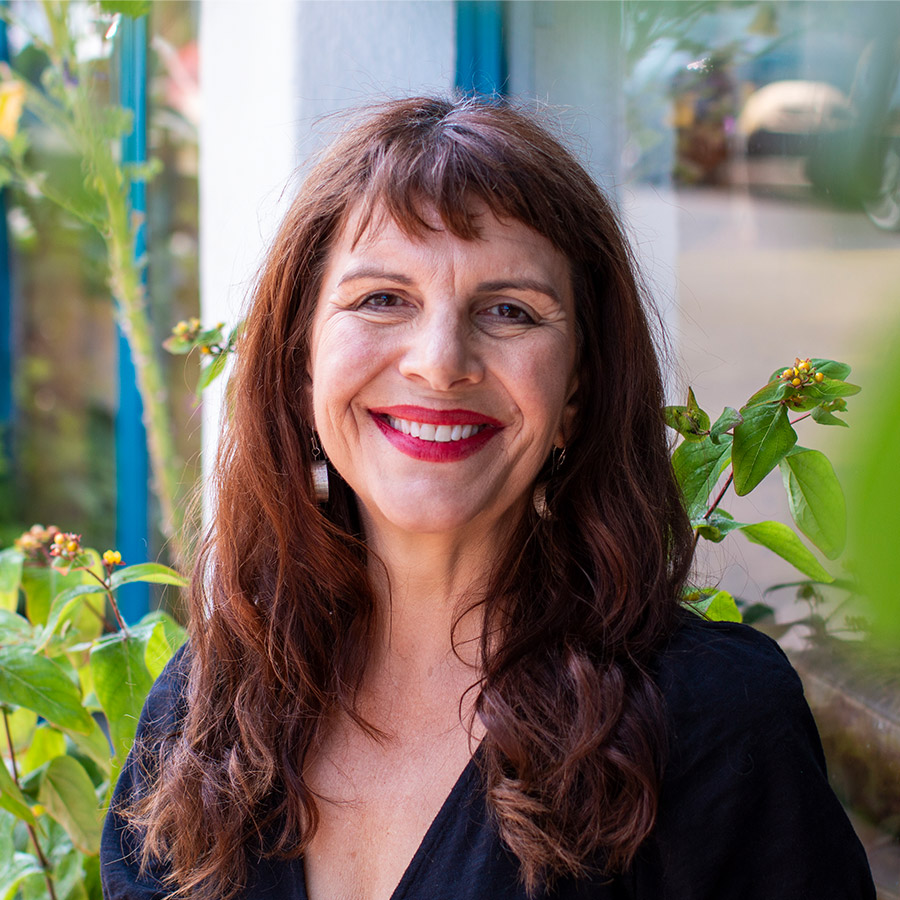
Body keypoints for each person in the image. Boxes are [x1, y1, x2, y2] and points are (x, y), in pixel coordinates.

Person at [100, 96, 875, 900]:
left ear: (578, 389)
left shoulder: (716, 725)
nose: (440, 362)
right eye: (382, 299)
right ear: (302, 369)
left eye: (510, 311)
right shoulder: (205, 709)